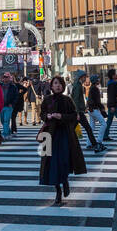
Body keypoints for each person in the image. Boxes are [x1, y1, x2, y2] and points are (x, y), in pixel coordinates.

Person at [39, 75, 87, 206]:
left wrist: (61, 116)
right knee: (51, 164)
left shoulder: (67, 100)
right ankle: (58, 192)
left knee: (64, 160)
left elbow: (74, 116)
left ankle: (64, 180)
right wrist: (47, 116)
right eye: (55, 83)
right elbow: (41, 113)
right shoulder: (47, 100)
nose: (58, 85)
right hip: (49, 135)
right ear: (51, 86)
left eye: (60, 83)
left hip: (65, 134)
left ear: (63, 86)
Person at [70, 71, 104, 153]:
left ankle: (94, 144)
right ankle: (95, 145)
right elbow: (76, 100)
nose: (86, 78)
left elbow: (73, 98)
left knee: (72, 129)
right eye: (84, 77)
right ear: (81, 77)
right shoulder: (78, 86)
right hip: (78, 112)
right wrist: (78, 112)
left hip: (77, 111)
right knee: (88, 129)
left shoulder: (77, 85)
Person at [0, 74, 20, 139]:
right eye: (4, 77)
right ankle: (8, 132)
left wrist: (13, 103)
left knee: (6, 120)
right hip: (1, 106)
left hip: (9, 106)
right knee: (2, 120)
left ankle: (5, 134)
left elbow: (16, 96)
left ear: (9, 78)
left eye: (6, 77)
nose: (5, 79)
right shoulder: (0, 86)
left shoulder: (13, 86)